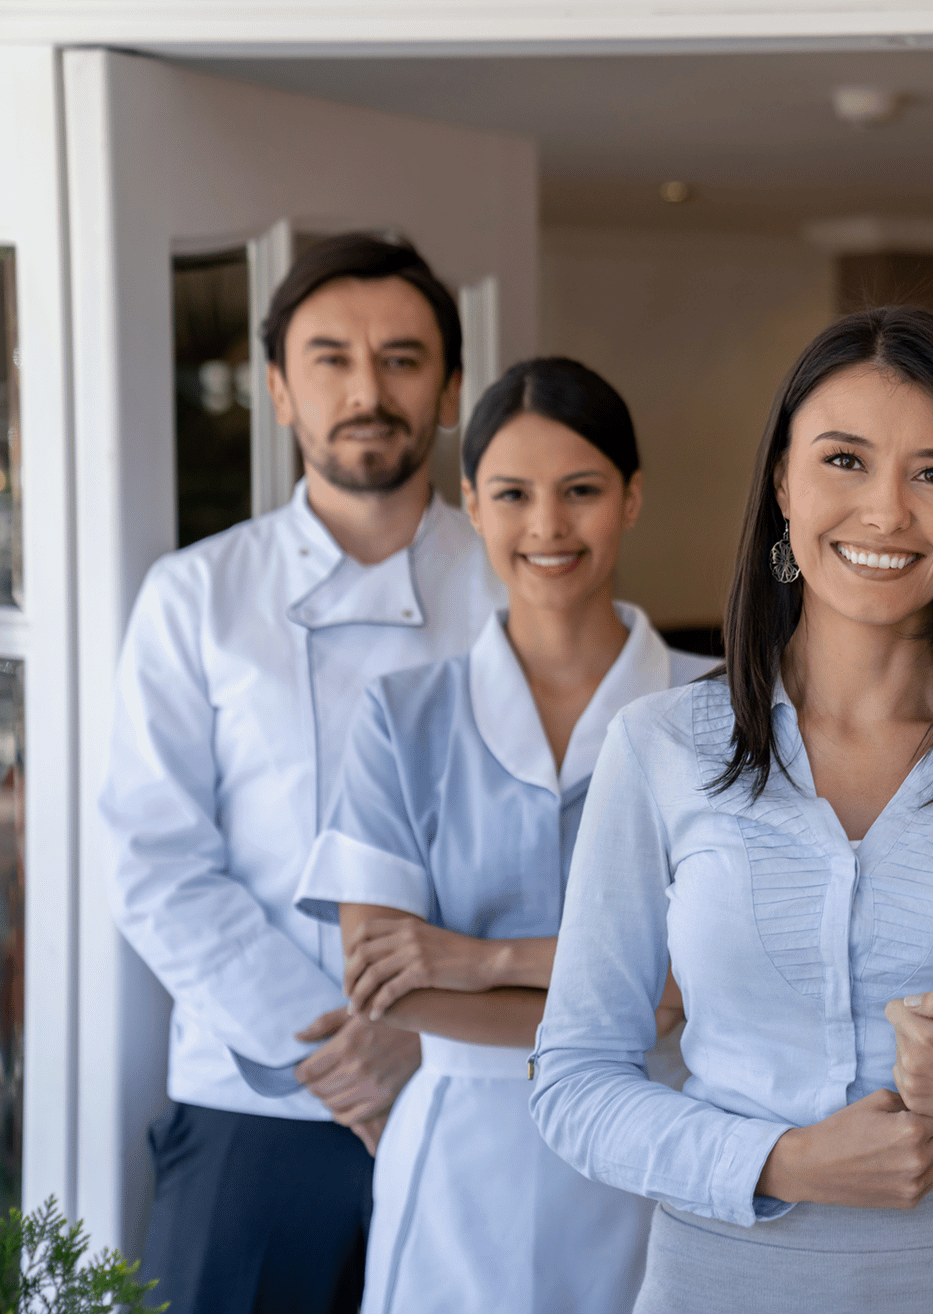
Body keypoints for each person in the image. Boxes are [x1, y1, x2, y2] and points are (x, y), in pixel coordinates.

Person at [529, 305, 933, 1314]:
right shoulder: (659, 747)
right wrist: (780, 1162)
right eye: (843, 460)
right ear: (782, 485)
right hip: (723, 1281)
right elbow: (572, 1082)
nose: (886, 512)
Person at [101, 233, 504, 1312]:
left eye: (402, 359)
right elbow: (154, 862)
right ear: (278, 390)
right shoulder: (195, 595)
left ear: (451, 390)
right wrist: (337, 1047)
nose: (367, 391)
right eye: (331, 359)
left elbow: (567, 863)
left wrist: (419, 1033)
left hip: (477, 1097)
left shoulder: (521, 594)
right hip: (254, 1105)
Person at [290, 357, 709, 1312]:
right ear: (472, 506)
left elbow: (700, 984)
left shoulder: (719, 713)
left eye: (582, 491)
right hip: (458, 1169)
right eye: (514, 494)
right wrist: (624, 992)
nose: (548, 525)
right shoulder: (404, 718)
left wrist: (477, 962)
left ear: (632, 498)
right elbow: (386, 985)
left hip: (661, 1148)